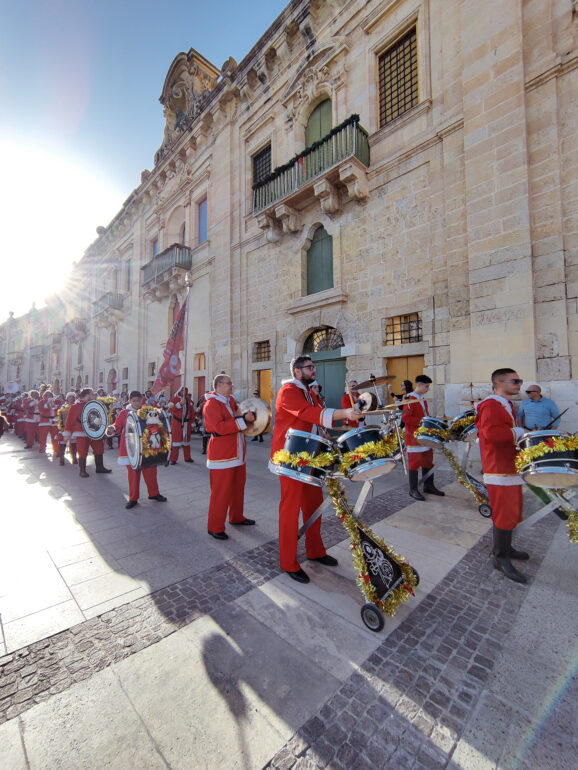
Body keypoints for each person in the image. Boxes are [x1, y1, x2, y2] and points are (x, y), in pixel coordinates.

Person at [270, 355, 359, 583]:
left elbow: (319, 417)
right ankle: (288, 562)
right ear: (297, 371)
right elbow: (306, 413)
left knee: (313, 506)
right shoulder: (288, 392)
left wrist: (348, 418)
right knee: (290, 511)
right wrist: (344, 413)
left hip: (311, 456)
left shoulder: (310, 392)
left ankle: (315, 551)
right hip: (290, 458)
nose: (314, 371)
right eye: (309, 367)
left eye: (314, 367)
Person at [475, 368, 529, 583]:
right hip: (499, 468)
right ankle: (500, 557)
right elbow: (490, 434)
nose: (519, 384)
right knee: (503, 513)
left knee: (512, 511)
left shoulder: (506, 405)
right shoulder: (491, 405)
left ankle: (507, 548)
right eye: (514, 380)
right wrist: (517, 432)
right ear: (499, 383)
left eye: (519, 380)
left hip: (509, 465)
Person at [203, 374, 256, 539]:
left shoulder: (230, 400)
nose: (231, 386)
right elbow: (217, 427)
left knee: (238, 487)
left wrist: (249, 416)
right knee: (221, 491)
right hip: (222, 454)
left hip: (237, 450)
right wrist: (242, 420)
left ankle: (236, 516)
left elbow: (238, 415)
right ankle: (215, 526)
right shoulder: (210, 405)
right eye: (229, 383)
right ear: (219, 385)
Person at [107, 390, 168, 509]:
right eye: (133, 401)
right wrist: (112, 429)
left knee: (151, 471)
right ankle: (133, 498)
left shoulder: (147, 411)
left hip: (146, 446)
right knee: (133, 474)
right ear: (129, 401)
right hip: (131, 448)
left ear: (142, 400)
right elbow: (117, 425)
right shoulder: (125, 413)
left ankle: (154, 493)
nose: (136, 403)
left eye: (138, 400)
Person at [402, 374, 445, 501]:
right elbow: (406, 418)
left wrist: (432, 422)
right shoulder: (410, 399)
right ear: (419, 385)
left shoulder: (422, 399)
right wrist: (423, 421)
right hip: (414, 437)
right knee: (414, 464)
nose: (428, 389)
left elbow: (425, 415)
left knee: (428, 461)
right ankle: (413, 489)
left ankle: (429, 486)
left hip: (426, 436)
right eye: (426, 386)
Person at [63, 388, 112, 478]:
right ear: (87, 395)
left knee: (99, 448)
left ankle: (99, 467)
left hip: (95, 431)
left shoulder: (96, 404)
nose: (95, 395)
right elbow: (69, 421)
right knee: (82, 450)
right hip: (81, 432)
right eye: (92, 394)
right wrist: (67, 433)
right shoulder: (75, 406)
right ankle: (82, 470)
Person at [168, 386, 195, 464]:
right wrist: (179, 404)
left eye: (185, 391)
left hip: (187, 423)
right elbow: (170, 410)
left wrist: (193, 422)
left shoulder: (188, 400)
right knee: (176, 442)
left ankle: (187, 457)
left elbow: (191, 412)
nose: (183, 393)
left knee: (186, 442)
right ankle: (173, 459)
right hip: (177, 423)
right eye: (182, 391)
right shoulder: (174, 399)